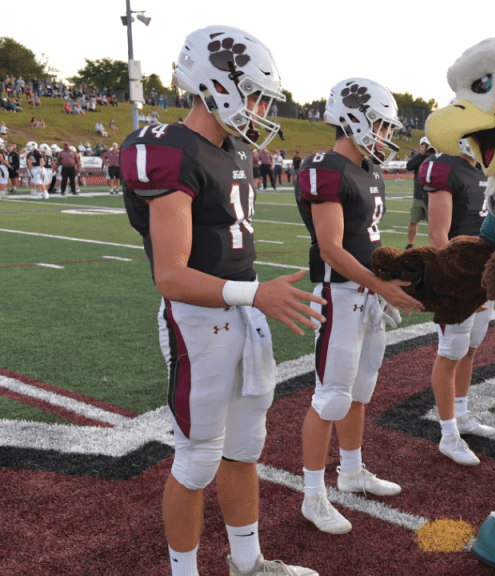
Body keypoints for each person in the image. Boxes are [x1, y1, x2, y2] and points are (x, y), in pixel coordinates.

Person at [120, 25, 322, 576]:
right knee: (196, 461)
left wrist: (252, 298)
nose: (260, 109)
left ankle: (247, 563)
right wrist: (255, 293)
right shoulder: (167, 150)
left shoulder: (233, 148)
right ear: (217, 85)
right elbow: (172, 276)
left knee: (243, 451)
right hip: (198, 320)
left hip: (240, 313)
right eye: (255, 94)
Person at [294, 78, 423, 534]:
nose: (386, 135)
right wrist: (378, 286)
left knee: (360, 390)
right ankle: (312, 494)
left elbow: (366, 242)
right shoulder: (324, 168)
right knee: (330, 397)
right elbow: (330, 248)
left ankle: (350, 471)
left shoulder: (368, 170)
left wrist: (389, 278)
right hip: (341, 293)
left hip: (367, 293)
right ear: (353, 118)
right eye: (381, 125)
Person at [418, 139, 495, 466]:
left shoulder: (480, 168)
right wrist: (460, 284)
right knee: (450, 351)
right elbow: (438, 235)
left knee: (470, 348)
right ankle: (448, 433)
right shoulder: (445, 166)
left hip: (481, 274)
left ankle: (463, 415)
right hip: (459, 278)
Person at [404, 136, 433, 249]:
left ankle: (434, 245)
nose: (426, 148)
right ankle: (410, 244)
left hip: (431, 197)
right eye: (423, 145)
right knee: (413, 221)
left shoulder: (434, 157)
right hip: (418, 196)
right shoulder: (418, 157)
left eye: (427, 146)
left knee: (433, 225)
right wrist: (420, 155)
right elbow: (409, 166)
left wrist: (432, 154)